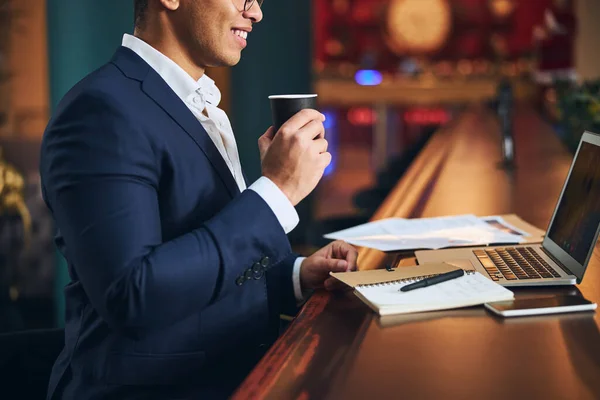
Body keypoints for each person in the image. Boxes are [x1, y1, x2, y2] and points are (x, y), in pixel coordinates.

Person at [40, 0, 358, 398]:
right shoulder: (99, 111)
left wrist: (292, 277)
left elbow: (193, 261)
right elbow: (133, 294)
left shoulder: (199, 102)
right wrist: (277, 191)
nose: (256, 12)